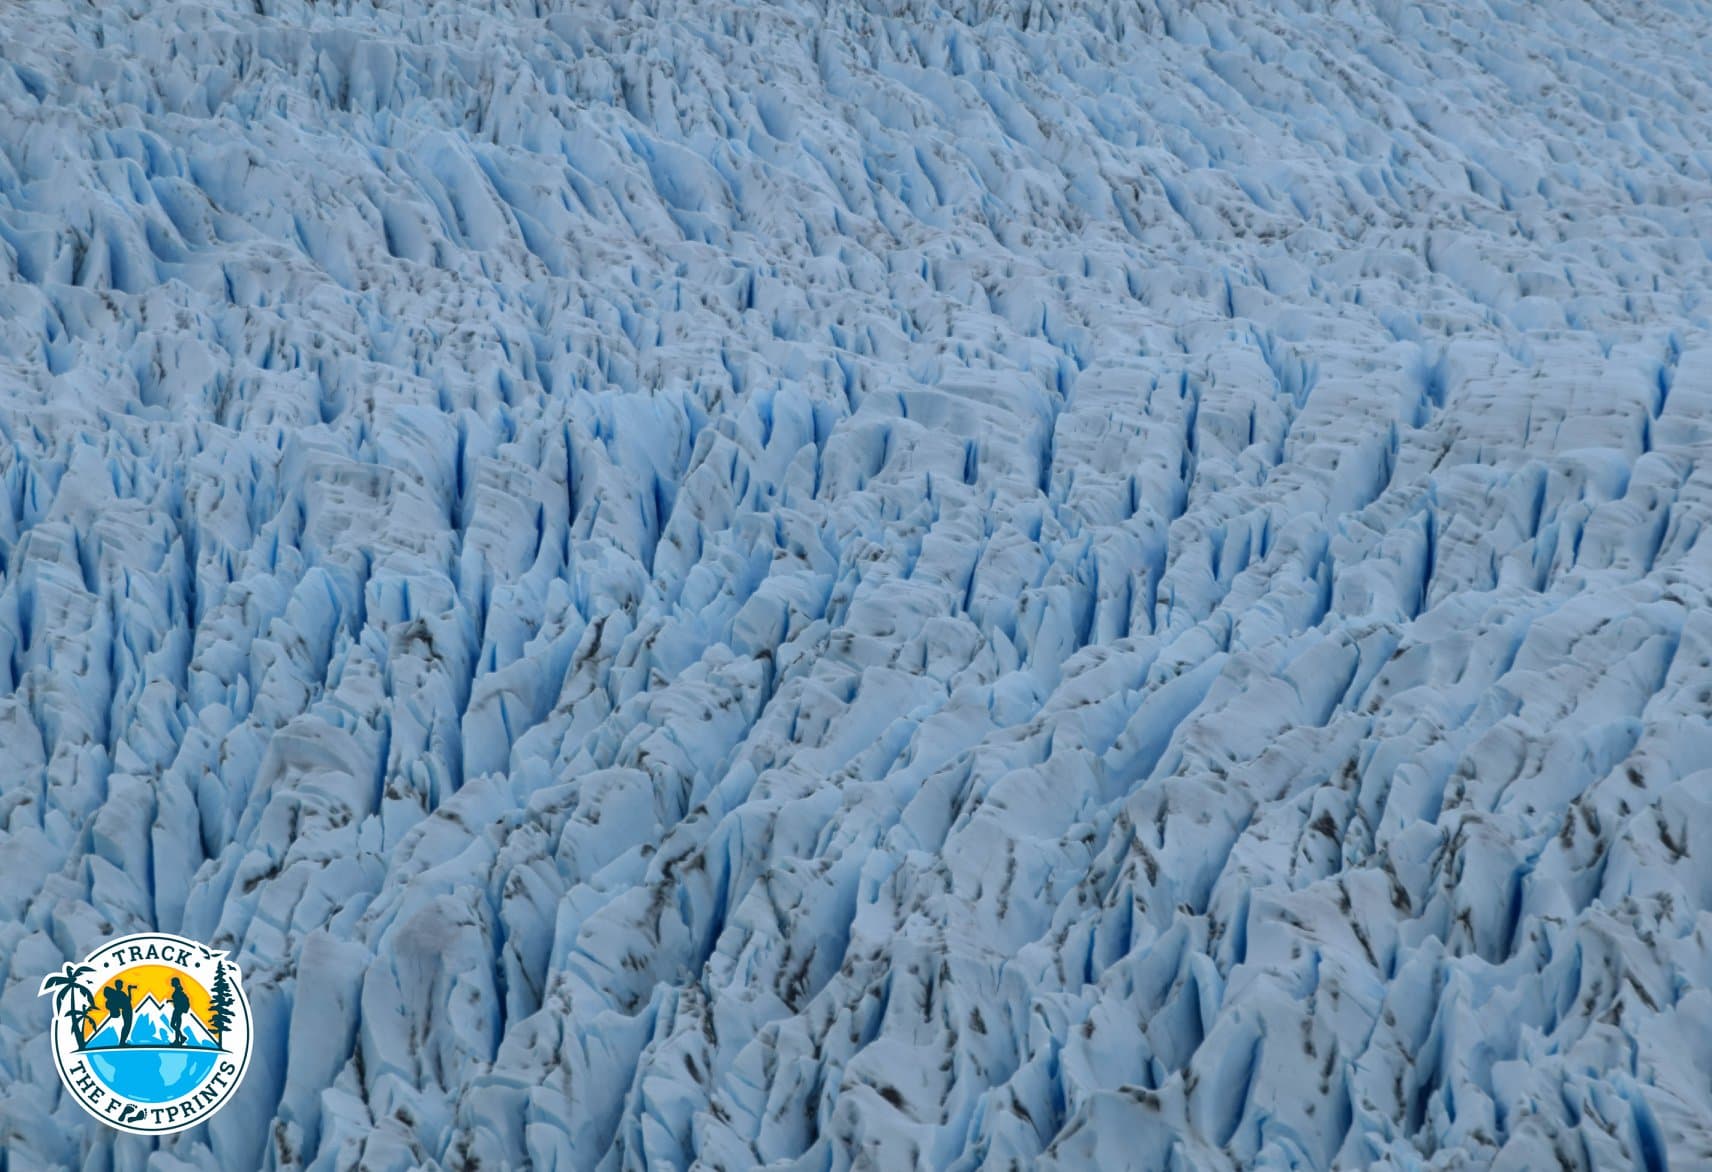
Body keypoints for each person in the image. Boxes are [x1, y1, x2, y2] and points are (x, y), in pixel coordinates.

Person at [102, 979, 135, 1045]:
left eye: (121, 984)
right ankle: (122, 1042)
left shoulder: (118, 993)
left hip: (126, 1010)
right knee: (127, 1026)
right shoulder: (120, 993)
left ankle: (122, 1041)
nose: (121, 986)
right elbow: (128, 1000)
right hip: (127, 1011)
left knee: (126, 1026)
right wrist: (129, 990)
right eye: (121, 984)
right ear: (118, 985)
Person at [168, 977, 191, 1046]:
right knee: (176, 1025)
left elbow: (178, 1000)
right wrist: (171, 1001)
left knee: (173, 1024)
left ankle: (178, 1040)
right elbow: (177, 1000)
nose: (171, 983)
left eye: (172, 982)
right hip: (178, 1010)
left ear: (175, 983)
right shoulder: (178, 990)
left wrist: (172, 1001)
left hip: (178, 1010)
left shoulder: (178, 991)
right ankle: (180, 1038)